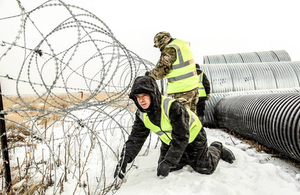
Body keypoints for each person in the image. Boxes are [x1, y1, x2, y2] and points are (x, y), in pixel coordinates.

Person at [114, 76, 235, 179]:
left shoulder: (172, 107)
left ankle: (216, 148)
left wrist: (169, 160)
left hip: (193, 136)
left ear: (153, 94)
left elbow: (181, 137)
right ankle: (186, 156)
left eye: (144, 95)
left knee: (204, 168)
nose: (141, 100)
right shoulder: (141, 114)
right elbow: (136, 137)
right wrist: (125, 158)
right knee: (165, 169)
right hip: (171, 141)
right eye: (138, 96)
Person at [147, 31, 199, 113]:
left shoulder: (170, 49)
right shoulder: (182, 44)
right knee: (192, 119)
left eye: (158, 46)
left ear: (161, 41)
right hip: (193, 86)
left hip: (181, 90)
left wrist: (150, 76)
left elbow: (161, 69)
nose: (159, 48)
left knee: (181, 119)